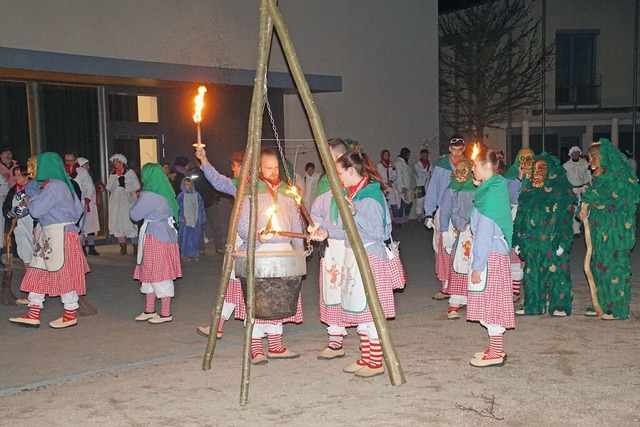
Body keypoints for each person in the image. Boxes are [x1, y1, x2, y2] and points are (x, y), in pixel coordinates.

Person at [195, 146, 304, 364]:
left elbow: (295, 225)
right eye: (267, 168)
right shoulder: (249, 191)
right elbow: (244, 226)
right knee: (256, 302)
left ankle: (275, 346)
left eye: (275, 168)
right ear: (259, 169)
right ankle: (255, 349)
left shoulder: (287, 191)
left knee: (278, 301)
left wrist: (299, 254)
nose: (273, 172)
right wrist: (257, 236)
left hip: (283, 254)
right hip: (259, 253)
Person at [312, 151, 405, 378]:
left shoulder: (370, 196)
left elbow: (377, 231)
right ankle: (366, 356)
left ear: (352, 171)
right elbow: (349, 231)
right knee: (361, 309)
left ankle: (376, 362)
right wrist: (326, 232)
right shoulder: (355, 193)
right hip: (356, 257)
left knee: (371, 311)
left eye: (341, 172)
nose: (339, 177)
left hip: (370, 258)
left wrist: (354, 212)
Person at [9, 152, 89, 329]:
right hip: (53, 234)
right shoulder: (62, 185)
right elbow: (77, 211)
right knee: (38, 271)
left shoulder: (55, 186)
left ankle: (70, 314)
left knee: (62, 274)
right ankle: (33, 312)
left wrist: (32, 195)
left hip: (59, 235)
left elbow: (36, 211)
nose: (33, 169)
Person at [580, 138, 640, 320]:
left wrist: (591, 196)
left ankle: (617, 307)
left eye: (595, 157)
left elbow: (615, 200)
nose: (591, 162)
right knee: (600, 265)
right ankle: (600, 302)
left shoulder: (620, 178)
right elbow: (595, 202)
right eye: (589, 157)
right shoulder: (599, 180)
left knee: (614, 267)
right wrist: (585, 212)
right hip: (600, 230)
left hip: (616, 233)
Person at [467, 148, 514, 367]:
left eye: (475, 165)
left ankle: (496, 352)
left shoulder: (490, 194)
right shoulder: (493, 187)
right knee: (491, 300)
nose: (472, 169)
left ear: (487, 167)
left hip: (491, 254)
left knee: (490, 302)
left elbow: (484, 232)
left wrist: (477, 264)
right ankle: (496, 347)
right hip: (495, 252)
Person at [513, 153, 575, 316]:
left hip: (552, 240)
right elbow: (520, 216)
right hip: (531, 241)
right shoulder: (528, 191)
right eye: (534, 168)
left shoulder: (559, 191)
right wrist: (518, 240)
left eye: (541, 168)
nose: (536, 172)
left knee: (557, 273)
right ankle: (533, 304)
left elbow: (566, 218)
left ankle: (559, 305)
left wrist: (563, 241)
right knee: (532, 274)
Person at [310, 138, 355, 360]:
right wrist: (314, 226)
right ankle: (336, 337)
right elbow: (316, 213)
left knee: (355, 287)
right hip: (332, 247)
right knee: (333, 287)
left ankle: (369, 336)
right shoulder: (326, 182)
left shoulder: (355, 182)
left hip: (352, 245)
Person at [130, 163, 182, 324]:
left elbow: (134, 214)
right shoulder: (166, 191)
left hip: (155, 236)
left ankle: (165, 313)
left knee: (158, 273)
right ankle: (150, 310)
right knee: (152, 271)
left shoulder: (150, 195)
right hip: (165, 234)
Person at [423, 135, 466, 300]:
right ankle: (445, 285)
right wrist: (429, 212)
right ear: (449, 149)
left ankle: (461, 286)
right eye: (454, 149)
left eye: (460, 149)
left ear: (463, 149)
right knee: (441, 247)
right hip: (443, 210)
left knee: (462, 248)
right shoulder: (441, 167)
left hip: (461, 212)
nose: (456, 153)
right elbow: (433, 189)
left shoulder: (467, 166)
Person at [502, 147, 534, 301]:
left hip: (531, 217)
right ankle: (514, 290)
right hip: (513, 215)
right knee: (514, 252)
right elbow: (507, 197)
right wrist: (519, 180)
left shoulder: (537, 177)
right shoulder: (509, 177)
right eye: (522, 158)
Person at [445, 159, 475, 319]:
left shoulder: (483, 190)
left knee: (477, 268)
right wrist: (463, 225)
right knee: (459, 265)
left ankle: (475, 302)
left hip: (480, 233)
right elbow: (454, 212)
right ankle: (454, 303)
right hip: (464, 232)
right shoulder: (460, 191)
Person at [106, 154, 140, 255]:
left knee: (129, 222)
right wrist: (116, 182)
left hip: (127, 200)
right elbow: (109, 187)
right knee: (117, 222)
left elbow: (136, 185)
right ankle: (123, 247)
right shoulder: (112, 174)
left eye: (117, 161)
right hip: (116, 201)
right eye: (114, 162)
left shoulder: (130, 173)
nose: (116, 163)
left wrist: (125, 185)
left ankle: (135, 246)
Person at [2, 165, 35, 266]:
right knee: (22, 243)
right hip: (18, 223)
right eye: (15, 175)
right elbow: (6, 205)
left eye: (19, 175)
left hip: (31, 222)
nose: (16, 178)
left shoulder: (33, 188)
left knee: (32, 243)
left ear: (26, 176)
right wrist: (10, 212)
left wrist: (27, 210)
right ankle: (27, 266)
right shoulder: (13, 190)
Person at [563, 146, 591, 236]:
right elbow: (564, 178)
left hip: (582, 188)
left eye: (577, 152)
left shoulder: (584, 163)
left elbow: (588, 175)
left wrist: (589, 184)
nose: (575, 154)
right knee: (573, 209)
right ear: (570, 154)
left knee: (582, 208)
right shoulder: (566, 165)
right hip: (572, 189)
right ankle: (575, 230)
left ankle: (582, 226)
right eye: (573, 153)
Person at [74, 157, 101, 256]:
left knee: (91, 226)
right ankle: (82, 247)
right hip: (82, 203)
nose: (88, 167)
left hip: (90, 204)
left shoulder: (89, 176)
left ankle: (92, 246)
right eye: (86, 165)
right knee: (83, 226)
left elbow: (92, 188)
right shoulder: (76, 176)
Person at [176, 177, 207, 261]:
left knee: (195, 237)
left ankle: (194, 253)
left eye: (190, 184)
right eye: (186, 185)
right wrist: (181, 217)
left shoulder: (197, 195)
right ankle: (185, 254)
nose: (189, 186)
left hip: (195, 219)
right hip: (185, 220)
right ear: (183, 185)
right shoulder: (181, 196)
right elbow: (178, 208)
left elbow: (201, 207)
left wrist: (202, 217)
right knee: (185, 237)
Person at [376, 149, 399, 226]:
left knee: (394, 204)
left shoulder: (391, 165)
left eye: (388, 155)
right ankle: (388, 223)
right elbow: (378, 177)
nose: (387, 156)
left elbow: (395, 174)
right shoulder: (379, 165)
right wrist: (384, 183)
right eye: (385, 155)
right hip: (384, 187)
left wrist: (391, 181)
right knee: (386, 206)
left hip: (391, 186)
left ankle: (396, 221)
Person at [393, 147, 413, 227]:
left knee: (408, 204)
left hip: (407, 187)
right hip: (402, 188)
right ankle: (400, 222)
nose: (409, 156)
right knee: (401, 206)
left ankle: (406, 220)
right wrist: (402, 187)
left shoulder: (405, 163)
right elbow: (399, 176)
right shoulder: (398, 163)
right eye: (408, 154)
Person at [413, 149, 431, 223]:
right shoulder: (417, 165)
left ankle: (426, 218)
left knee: (427, 202)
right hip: (419, 186)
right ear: (420, 155)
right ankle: (419, 219)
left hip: (427, 186)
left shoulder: (430, 165)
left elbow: (431, 174)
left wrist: (428, 173)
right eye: (423, 155)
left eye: (425, 156)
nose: (424, 157)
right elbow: (419, 175)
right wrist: (428, 173)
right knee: (419, 202)